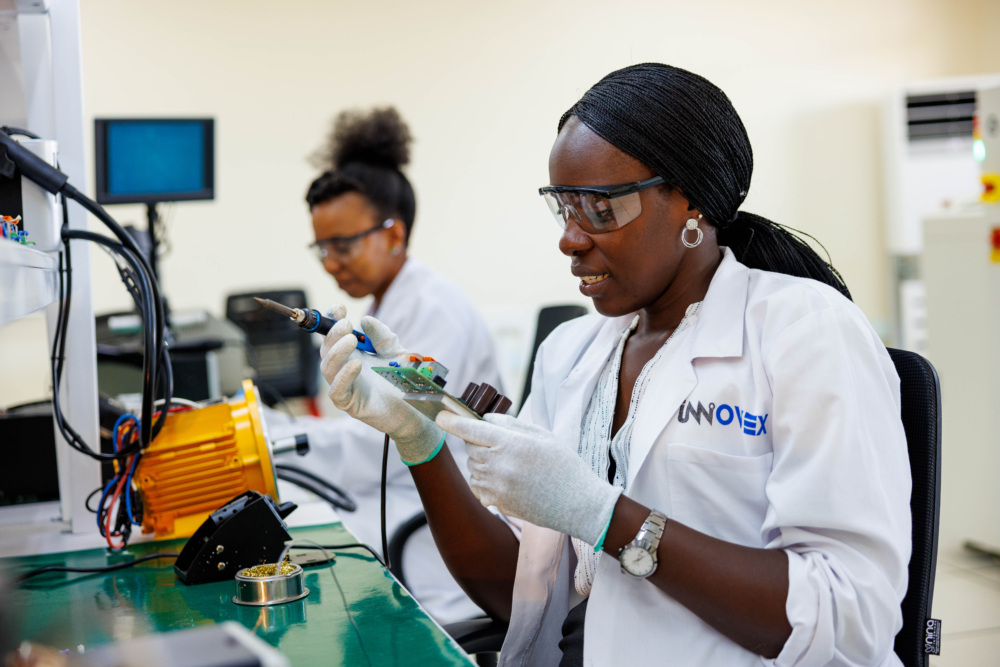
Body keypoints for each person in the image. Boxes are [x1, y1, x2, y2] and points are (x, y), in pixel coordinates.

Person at [319, 65, 911, 665]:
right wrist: (421, 442)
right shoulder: (571, 354)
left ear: (691, 202)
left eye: (600, 209)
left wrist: (605, 516)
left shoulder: (803, 331)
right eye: (564, 208)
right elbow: (518, 594)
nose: (570, 240)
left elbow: (849, 613)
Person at [268, 107, 504, 624]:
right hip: (401, 500)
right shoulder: (386, 306)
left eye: (343, 245)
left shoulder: (433, 310)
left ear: (394, 234)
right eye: (321, 248)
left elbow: (399, 440)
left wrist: (280, 441)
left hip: (437, 531)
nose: (330, 262)